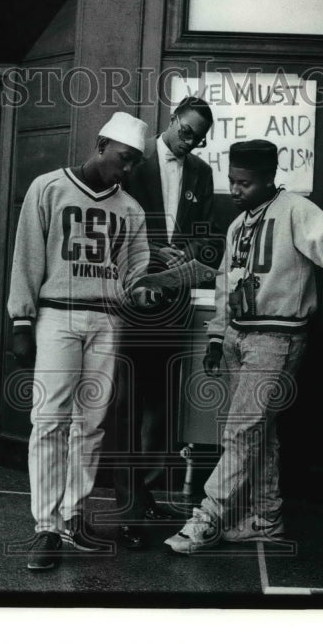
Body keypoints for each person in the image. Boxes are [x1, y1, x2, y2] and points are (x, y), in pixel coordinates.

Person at [164, 139, 323, 554]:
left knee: (242, 431)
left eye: (244, 183)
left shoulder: (295, 208)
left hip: (278, 338)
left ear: (268, 179)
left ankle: (206, 518)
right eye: (232, 181)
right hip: (240, 336)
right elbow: (226, 285)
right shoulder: (237, 225)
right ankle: (265, 519)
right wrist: (217, 337)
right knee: (261, 433)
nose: (235, 190)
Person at [7, 111, 152, 572]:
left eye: (135, 165)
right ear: (101, 143)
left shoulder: (130, 209)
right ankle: (45, 527)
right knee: (49, 420)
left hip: (108, 319)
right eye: (123, 159)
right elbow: (27, 254)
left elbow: (134, 275)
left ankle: (73, 515)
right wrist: (21, 321)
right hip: (57, 315)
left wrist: (147, 289)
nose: (126, 170)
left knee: (90, 424)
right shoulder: (48, 187)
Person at [111, 96, 220, 550]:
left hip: (173, 300)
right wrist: (154, 250)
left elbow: (203, 234)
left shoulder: (202, 173)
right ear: (173, 118)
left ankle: (147, 490)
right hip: (132, 295)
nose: (193, 141)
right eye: (189, 131)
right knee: (129, 402)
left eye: (200, 137)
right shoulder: (134, 162)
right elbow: (116, 224)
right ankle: (128, 502)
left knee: (161, 404)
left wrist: (187, 255)